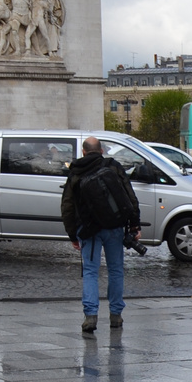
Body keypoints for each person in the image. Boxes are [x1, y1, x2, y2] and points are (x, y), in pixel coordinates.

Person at [60, 136, 140, 333]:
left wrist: (72, 235)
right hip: (114, 227)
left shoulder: (76, 172)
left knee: (90, 271)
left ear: (84, 152)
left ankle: (90, 316)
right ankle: (116, 315)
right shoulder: (113, 167)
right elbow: (129, 196)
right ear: (102, 151)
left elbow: (67, 205)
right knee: (115, 270)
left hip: (88, 230)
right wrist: (134, 226)